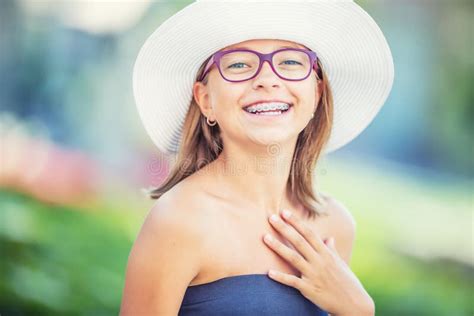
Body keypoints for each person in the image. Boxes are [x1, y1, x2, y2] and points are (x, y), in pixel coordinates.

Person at [120, 0, 394, 315]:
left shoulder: (335, 224)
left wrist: (359, 310)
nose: (267, 79)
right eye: (238, 65)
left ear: (317, 94)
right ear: (206, 100)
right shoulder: (179, 220)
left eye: (291, 62)